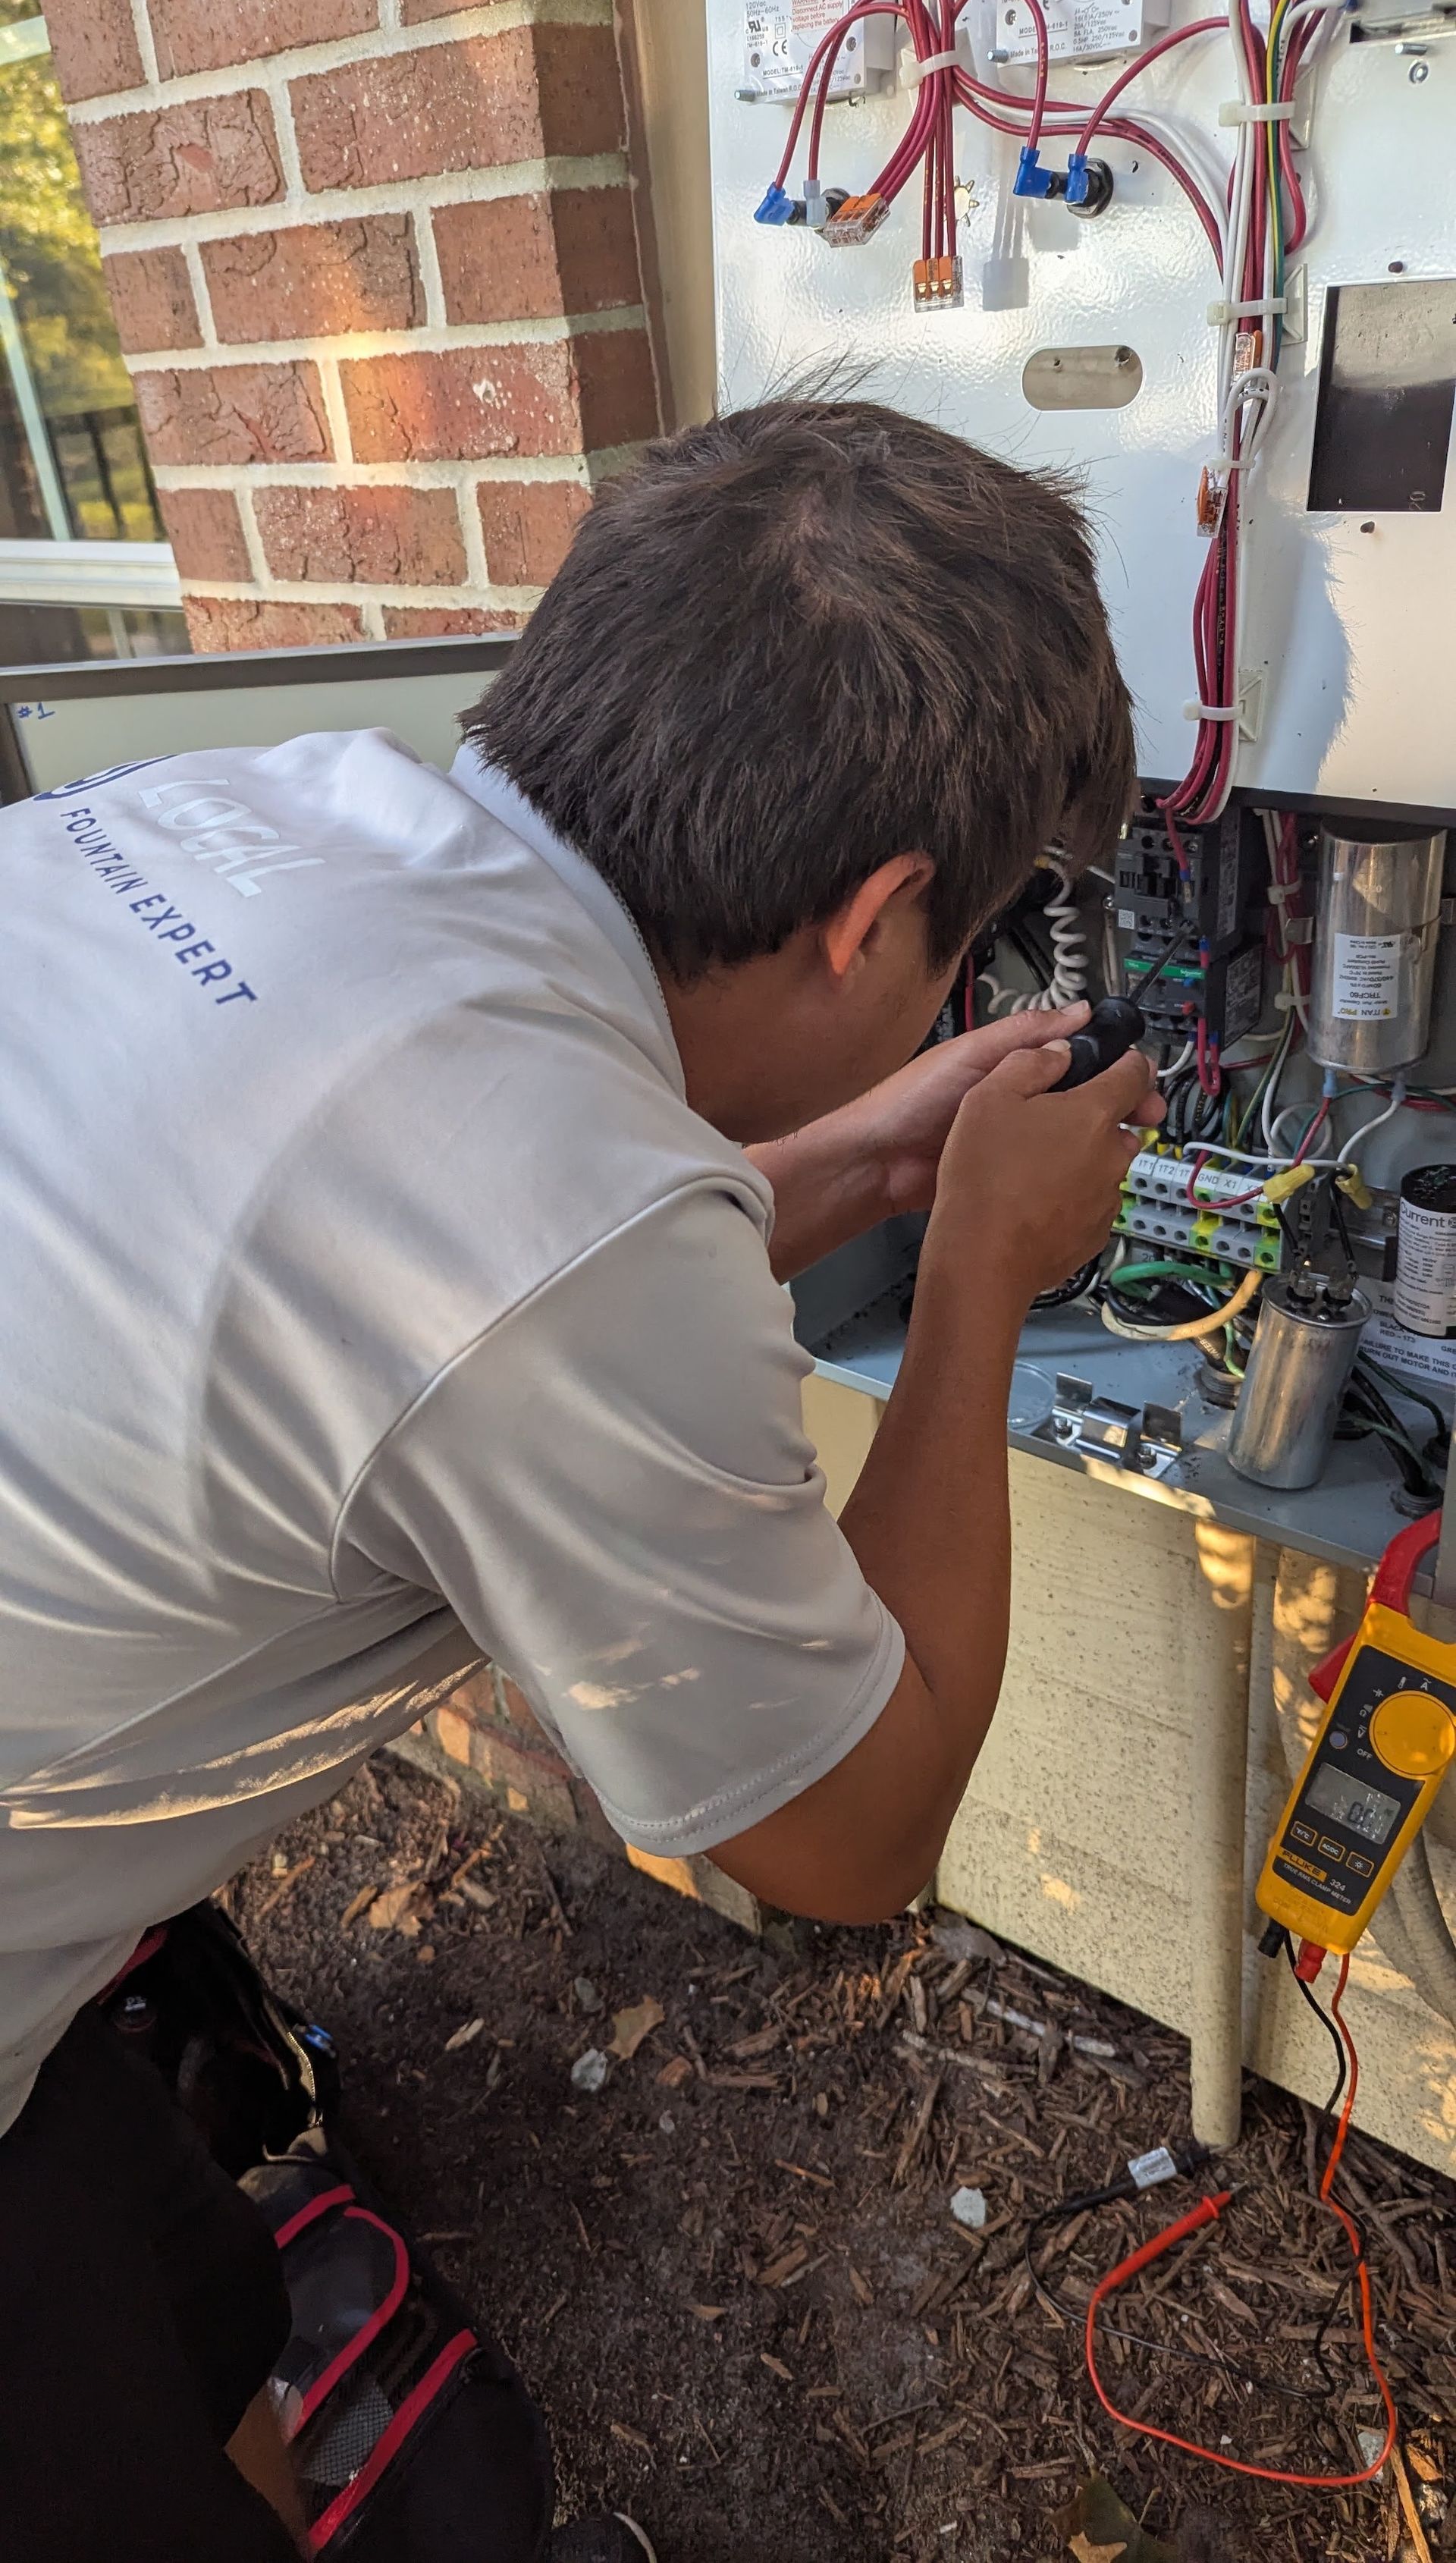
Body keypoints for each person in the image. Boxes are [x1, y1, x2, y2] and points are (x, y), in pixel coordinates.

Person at [0, 396, 1159, 2558]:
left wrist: (881, 1150)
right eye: (967, 937)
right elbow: (852, 1834)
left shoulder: (252, 815)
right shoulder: (557, 1231)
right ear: (882, 914)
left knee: (182, 2291)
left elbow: (467, 1250)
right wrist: (987, 1260)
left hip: (36, 1953)